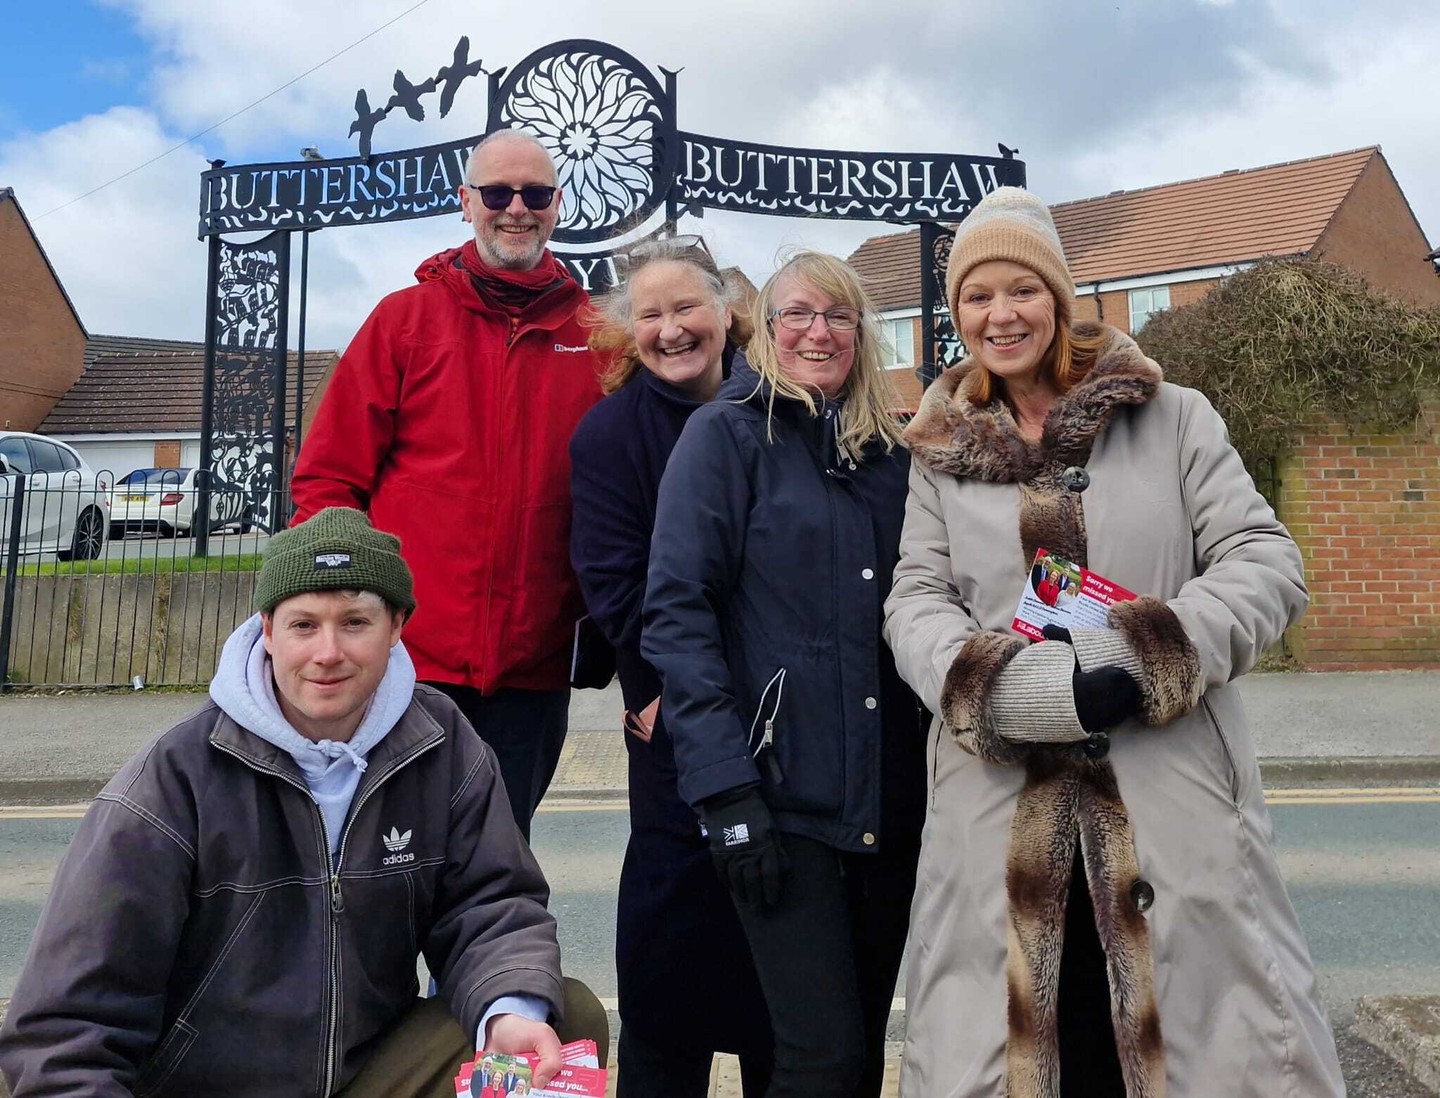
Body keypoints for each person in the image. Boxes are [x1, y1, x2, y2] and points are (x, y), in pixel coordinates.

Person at [882, 187, 1345, 1096]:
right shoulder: (935, 452)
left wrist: (1150, 658)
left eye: (1021, 290)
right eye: (977, 297)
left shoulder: (1176, 418)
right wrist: (1004, 691)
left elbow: (1264, 561)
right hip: (999, 805)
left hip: (1169, 792)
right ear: (957, 314)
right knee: (1024, 1049)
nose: (999, 314)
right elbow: (915, 598)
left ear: (1057, 299)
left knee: (1194, 1045)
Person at [0, 508, 607, 1098]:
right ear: (267, 631)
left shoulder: (442, 742)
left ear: (397, 626)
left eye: (355, 622)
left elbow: (490, 902)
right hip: (204, 1084)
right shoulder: (175, 778)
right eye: (303, 624)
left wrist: (507, 1009)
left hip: (370, 1067)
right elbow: (66, 1026)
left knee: (560, 1019)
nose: (328, 652)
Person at [642, 251, 928, 1097]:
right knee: (820, 1055)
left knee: (861, 1051)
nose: (819, 332)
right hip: (778, 799)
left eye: (839, 316)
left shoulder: (892, 455)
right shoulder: (727, 436)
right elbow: (679, 613)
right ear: (763, 332)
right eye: (797, 314)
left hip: (889, 799)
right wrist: (726, 792)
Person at [290, 128, 603, 838]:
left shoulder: (596, 334)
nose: (515, 209)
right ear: (466, 203)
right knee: (386, 879)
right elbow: (329, 481)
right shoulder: (404, 322)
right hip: (408, 667)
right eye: (497, 193)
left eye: (535, 194)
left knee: (496, 871)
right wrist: (346, 614)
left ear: (557, 205)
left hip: (533, 672)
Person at [569, 235, 773, 1096]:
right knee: (669, 976)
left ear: (726, 311)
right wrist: (659, 692)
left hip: (786, 715)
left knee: (784, 976)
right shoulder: (611, 435)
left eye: (686, 307)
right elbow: (615, 586)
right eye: (649, 315)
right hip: (676, 723)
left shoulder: (784, 409)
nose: (671, 329)